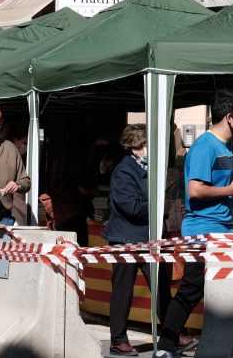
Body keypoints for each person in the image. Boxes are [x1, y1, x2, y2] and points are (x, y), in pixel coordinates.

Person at [153, 89, 233, 358]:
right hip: (200, 230)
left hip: (223, 230)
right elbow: (195, 190)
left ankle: (220, 343)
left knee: (225, 289)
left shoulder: (227, 145)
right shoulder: (204, 146)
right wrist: (230, 191)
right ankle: (165, 347)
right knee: (192, 288)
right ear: (230, 118)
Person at [104, 124, 172, 356]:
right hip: (126, 239)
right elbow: (131, 206)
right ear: (135, 147)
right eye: (146, 145)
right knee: (123, 290)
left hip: (149, 238)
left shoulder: (150, 168)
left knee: (161, 286)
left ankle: (172, 334)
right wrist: (158, 206)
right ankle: (118, 339)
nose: (150, 149)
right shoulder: (124, 171)